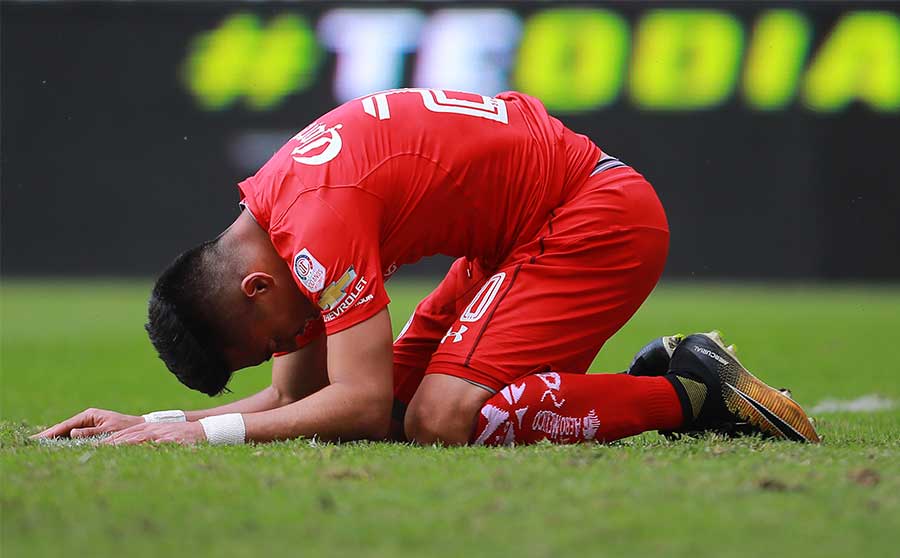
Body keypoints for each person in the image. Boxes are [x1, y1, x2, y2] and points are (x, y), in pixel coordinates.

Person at [34, 88, 820, 446]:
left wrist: (202, 440)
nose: (284, 351)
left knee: (440, 418)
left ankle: (690, 393)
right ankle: (658, 377)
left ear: (255, 289)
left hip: (592, 215)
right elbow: (294, 397)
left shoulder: (314, 224)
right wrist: (155, 425)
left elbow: (347, 396)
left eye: (267, 338)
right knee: (400, 415)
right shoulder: (277, 214)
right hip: (523, 236)